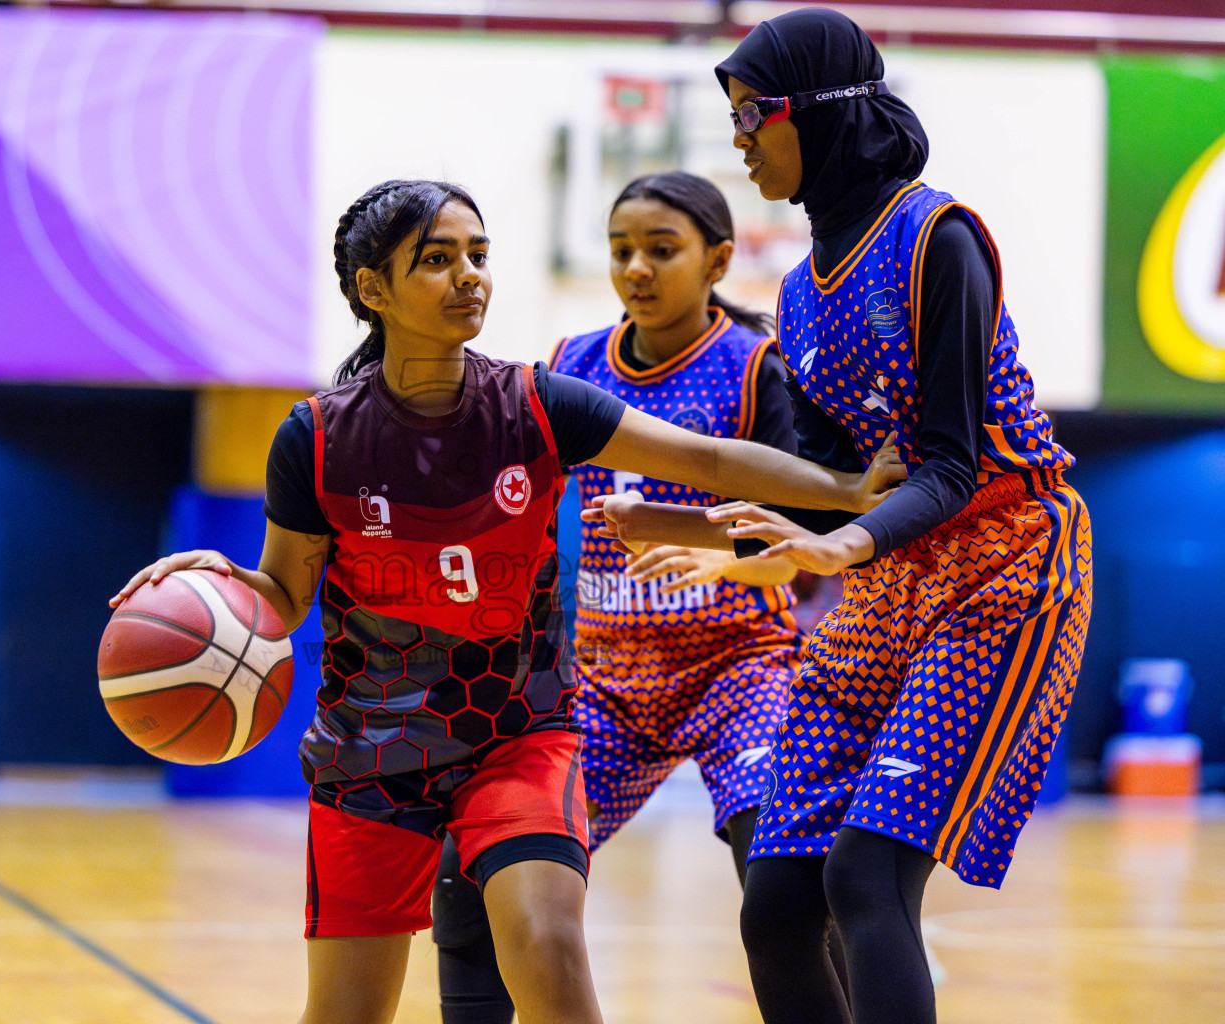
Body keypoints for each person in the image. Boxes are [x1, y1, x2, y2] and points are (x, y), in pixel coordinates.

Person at [112, 178, 900, 1024]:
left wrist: (849, 489)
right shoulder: (315, 435)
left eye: (478, 257)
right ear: (372, 289)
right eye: (438, 260)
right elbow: (286, 592)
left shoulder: (537, 402)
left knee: (554, 950)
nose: (469, 277)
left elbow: (707, 460)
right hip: (370, 754)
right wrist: (223, 584)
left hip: (518, 736)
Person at [590, 11, 1093, 1024]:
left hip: (1006, 571)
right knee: (777, 903)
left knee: (865, 877)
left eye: (749, 115)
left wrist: (839, 542)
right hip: (890, 579)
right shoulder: (798, 297)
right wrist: (686, 530)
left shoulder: (937, 237)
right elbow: (831, 486)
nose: (736, 139)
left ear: (815, 114)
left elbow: (949, 465)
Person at [430, 170, 841, 1024]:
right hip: (605, 682)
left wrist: (704, 546)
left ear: (719, 257)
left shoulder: (757, 366)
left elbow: (791, 541)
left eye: (662, 249)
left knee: (783, 878)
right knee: (476, 872)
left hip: (740, 671)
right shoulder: (571, 365)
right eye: (622, 251)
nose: (637, 269)